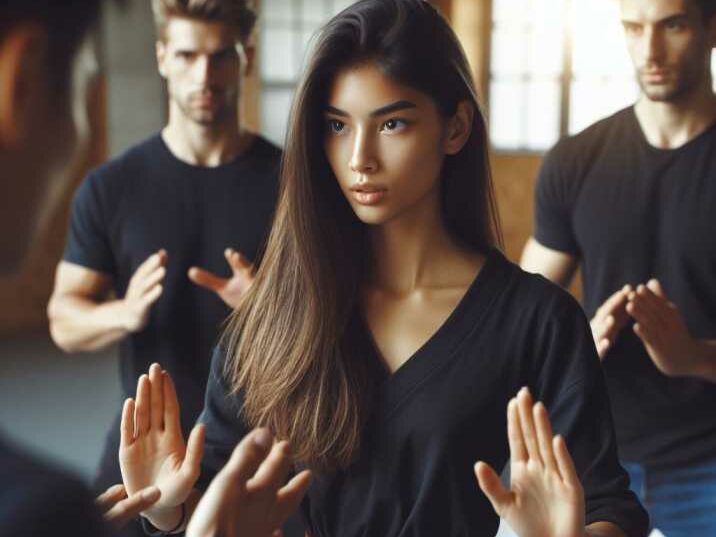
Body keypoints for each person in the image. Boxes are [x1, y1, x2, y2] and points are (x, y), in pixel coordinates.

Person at [118, 1, 649, 535]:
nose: (359, 158)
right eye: (336, 126)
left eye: (392, 123)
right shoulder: (275, 313)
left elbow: (609, 506)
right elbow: (211, 499)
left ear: (455, 127)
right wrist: (166, 509)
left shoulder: (538, 319)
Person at [0, 3, 309, 534]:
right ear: (163, 57)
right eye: (187, 55)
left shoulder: (291, 185)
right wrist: (124, 312)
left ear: (247, 58)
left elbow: (345, 323)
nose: (204, 76)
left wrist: (271, 311)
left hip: (257, 449)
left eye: (220, 58)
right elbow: (63, 320)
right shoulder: (112, 187)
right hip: (143, 451)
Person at [520, 0, 716, 534]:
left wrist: (696, 356)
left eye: (671, 26)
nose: (649, 51)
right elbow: (520, 330)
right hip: (596, 464)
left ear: (710, 28)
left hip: (708, 465)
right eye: (634, 28)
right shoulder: (575, 160)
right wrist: (577, 341)